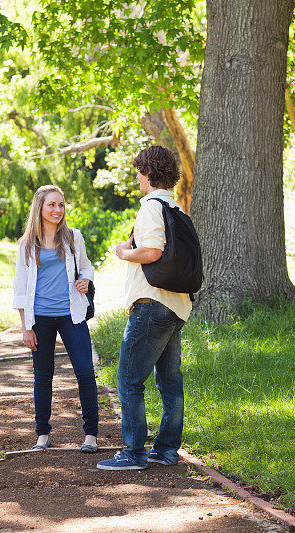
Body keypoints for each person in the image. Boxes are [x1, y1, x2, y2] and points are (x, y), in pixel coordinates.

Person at [97, 146, 191, 470]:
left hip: (152, 304)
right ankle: (165, 450)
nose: (137, 177)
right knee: (169, 382)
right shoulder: (175, 206)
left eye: (139, 171)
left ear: (149, 174)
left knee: (128, 379)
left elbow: (152, 252)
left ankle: (134, 452)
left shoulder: (151, 206)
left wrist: (124, 253)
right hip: (176, 305)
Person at [12, 185, 99, 453]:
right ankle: (42, 433)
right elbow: (20, 287)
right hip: (41, 318)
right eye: (51, 205)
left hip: (71, 315)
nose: (57, 210)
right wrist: (27, 327)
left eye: (61, 205)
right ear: (40, 208)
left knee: (84, 371)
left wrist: (85, 279)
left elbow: (86, 266)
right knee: (42, 375)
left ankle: (91, 435)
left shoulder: (74, 237)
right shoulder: (27, 244)